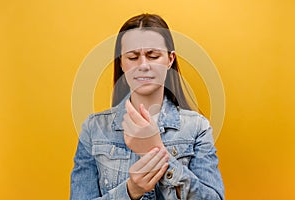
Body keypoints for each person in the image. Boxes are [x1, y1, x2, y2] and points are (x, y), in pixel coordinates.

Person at [70, 13, 224, 200]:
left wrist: (157, 151)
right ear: (122, 63)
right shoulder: (93, 129)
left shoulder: (197, 128)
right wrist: (131, 190)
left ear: (170, 59)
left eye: (153, 56)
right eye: (133, 57)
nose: (143, 65)